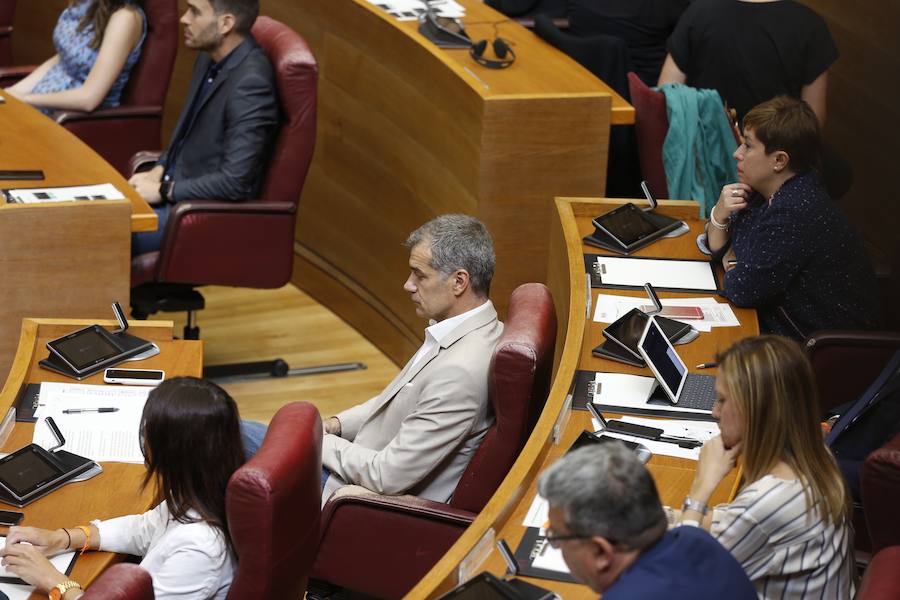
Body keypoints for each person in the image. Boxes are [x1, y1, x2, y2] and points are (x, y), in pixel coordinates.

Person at [243, 214, 503, 503]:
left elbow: (386, 475)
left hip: (354, 495)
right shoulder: (468, 331)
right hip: (357, 462)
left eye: (420, 275)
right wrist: (336, 425)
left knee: (227, 436)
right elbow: (396, 400)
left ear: (459, 281)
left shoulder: (459, 372)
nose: (408, 285)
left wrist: (313, 440)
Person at [0, 377, 244, 600]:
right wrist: (64, 538)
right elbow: (144, 528)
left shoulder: (200, 550)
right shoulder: (203, 489)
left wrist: (53, 581)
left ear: (172, 452)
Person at [674, 335, 856, 598]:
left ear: (755, 411)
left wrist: (701, 487)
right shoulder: (816, 456)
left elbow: (677, 580)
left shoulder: (767, 502)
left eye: (722, 400)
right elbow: (733, 523)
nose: (714, 411)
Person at [706, 96, 880, 338]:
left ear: (779, 160)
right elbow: (716, 247)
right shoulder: (769, 190)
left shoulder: (795, 208)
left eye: (747, 145)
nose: (737, 153)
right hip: (782, 330)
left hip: (820, 351)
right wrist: (719, 214)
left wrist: (731, 252)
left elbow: (742, 289)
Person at [128, 0, 279, 255]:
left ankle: (113, 299)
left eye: (195, 12)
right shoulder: (209, 58)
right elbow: (186, 132)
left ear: (225, 24)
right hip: (171, 189)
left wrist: (164, 190)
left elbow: (235, 182)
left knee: (102, 236)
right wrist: (160, 167)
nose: (183, 19)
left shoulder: (251, 83)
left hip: (193, 211)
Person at [538, 443, 756, 599]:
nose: (557, 545)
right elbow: (689, 524)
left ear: (600, 551)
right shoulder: (700, 541)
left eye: (556, 537)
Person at [657, 0, 837, 125]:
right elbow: (813, 121)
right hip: (774, 164)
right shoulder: (811, 26)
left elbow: (666, 93)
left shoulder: (699, 11)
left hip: (704, 155)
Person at [4, 0, 146, 114]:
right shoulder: (85, 4)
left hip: (72, 120)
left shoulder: (125, 18)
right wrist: (13, 92)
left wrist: (26, 99)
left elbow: (89, 99)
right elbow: (63, 60)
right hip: (40, 102)